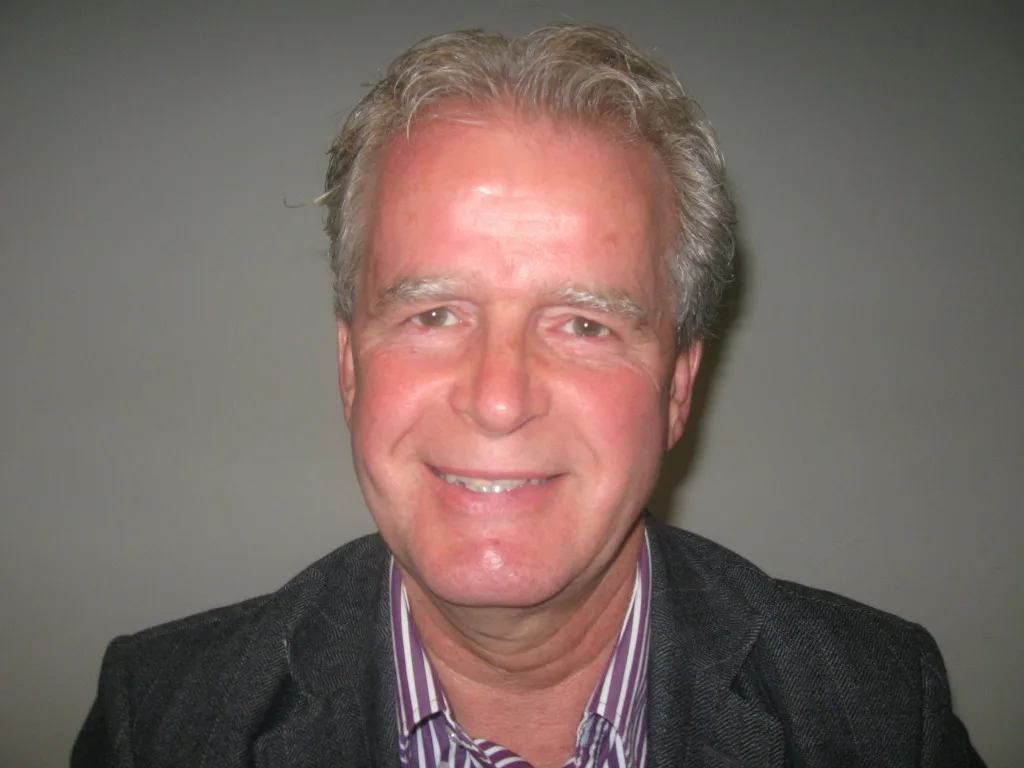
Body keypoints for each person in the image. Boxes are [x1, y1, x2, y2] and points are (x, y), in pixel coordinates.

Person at [72, 23, 984, 768]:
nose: (499, 400)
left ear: (678, 389)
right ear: (350, 366)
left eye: (584, 324)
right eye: (434, 314)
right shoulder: (158, 719)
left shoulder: (878, 710)